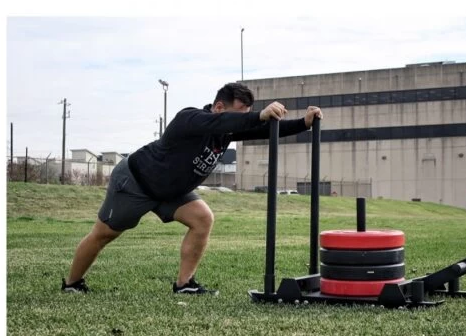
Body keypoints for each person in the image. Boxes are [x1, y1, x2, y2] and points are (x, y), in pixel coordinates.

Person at [62, 82, 323, 295]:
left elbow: (262, 129)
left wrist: (303, 123)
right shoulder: (190, 118)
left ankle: (184, 284)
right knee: (104, 234)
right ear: (219, 107)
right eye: (239, 113)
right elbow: (236, 122)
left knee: (202, 218)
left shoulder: (226, 131)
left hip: (171, 192)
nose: (243, 119)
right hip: (136, 182)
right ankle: (72, 284)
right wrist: (256, 116)